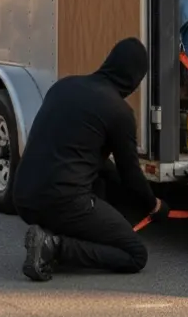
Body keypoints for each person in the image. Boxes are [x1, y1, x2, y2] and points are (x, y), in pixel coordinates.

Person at [12, 37, 168, 281]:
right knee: (135, 254)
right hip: (62, 201)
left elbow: (86, 157)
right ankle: (54, 246)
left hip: (23, 196)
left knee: (100, 181)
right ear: (135, 80)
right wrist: (153, 205)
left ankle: (51, 234)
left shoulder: (63, 86)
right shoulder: (119, 111)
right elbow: (131, 177)